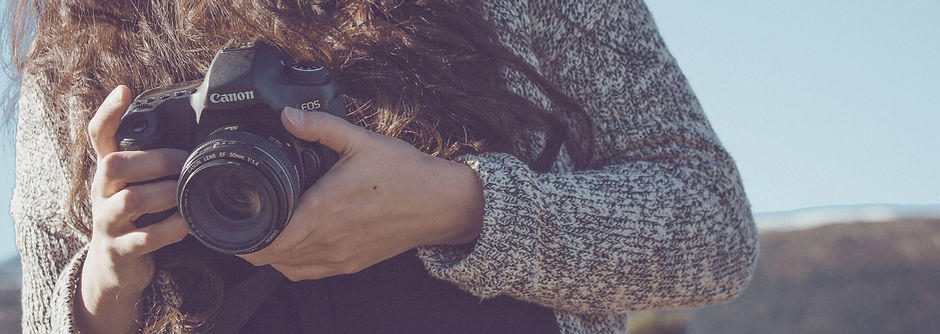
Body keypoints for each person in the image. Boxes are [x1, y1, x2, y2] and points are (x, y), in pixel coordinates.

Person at [7, 0, 758, 333]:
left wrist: (461, 207)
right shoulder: (82, 29)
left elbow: (712, 227)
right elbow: (50, 305)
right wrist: (102, 285)